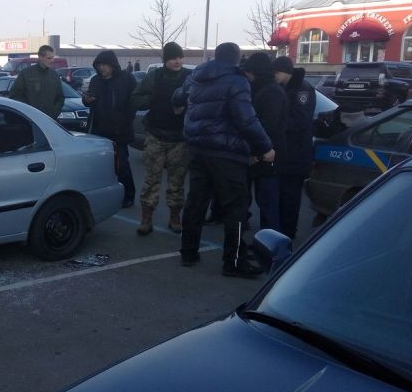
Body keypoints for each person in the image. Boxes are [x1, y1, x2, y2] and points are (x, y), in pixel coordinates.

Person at [179, 42, 274, 278]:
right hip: (226, 151)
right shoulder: (236, 80)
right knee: (237, 207)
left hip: (198, 148)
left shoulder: (196, 76)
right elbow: (246, 119)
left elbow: (178, 97)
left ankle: (188, 252)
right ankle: (233, 261)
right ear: (236, 59)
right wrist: (266, 147)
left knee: (196, 202)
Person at [131, 42, 192, 234]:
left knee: (177, 181)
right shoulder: (154, 77)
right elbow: (135, 99)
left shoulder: (189, 78)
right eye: (173, 57)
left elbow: (200, 100)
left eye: (180, 57)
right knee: (151, 180)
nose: (177, 61)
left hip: (180, 139)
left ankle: (175, 217)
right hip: (156, 136)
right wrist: (154, 100)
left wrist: (186, 107)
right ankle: (146, 219)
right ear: (165, 59)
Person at [84, 50, 139, 208]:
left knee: (121, 165)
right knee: (101, 166)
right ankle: (107, 195)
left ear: (112, 65)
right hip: (99, 131)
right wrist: (86, 100)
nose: (102, 68)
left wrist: (126, 120)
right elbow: (89, 100)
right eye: (99, 65)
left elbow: (134, 102)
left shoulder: (126, 79)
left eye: (105, 65)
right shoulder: (95, 80)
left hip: (120, 131)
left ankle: (129, 195)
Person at [242, 52, 287, 232]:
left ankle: (271, 250)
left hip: (269, 157)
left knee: (268, 205)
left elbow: (268, 127)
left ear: (256, 71)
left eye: (249, 72)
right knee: (264, 202)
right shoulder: (262, 89)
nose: (247, 76)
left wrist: (257, 154)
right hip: (262, 155)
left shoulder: (271, 92)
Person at [273, 56, 315, 241]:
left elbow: (301, 121)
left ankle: (287, 234)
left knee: (290, 197)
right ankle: (281, 231)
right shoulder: (286, 87)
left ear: (286, 71)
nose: (274, 76)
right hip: (287, 151)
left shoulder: (301, 89)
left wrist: (277, 125)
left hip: (296, 152)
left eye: (277, 72)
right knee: (282, 196)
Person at [9, 45, 64, 119]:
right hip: (30, 121)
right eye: (49, 58)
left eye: (53, 58)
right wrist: (28, 111)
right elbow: (14, 95)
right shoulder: (26, 74)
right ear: (40, 57)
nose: (52, 61)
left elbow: (60, 98)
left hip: (49, 120)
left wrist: (54, 113)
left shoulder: (54, 75)